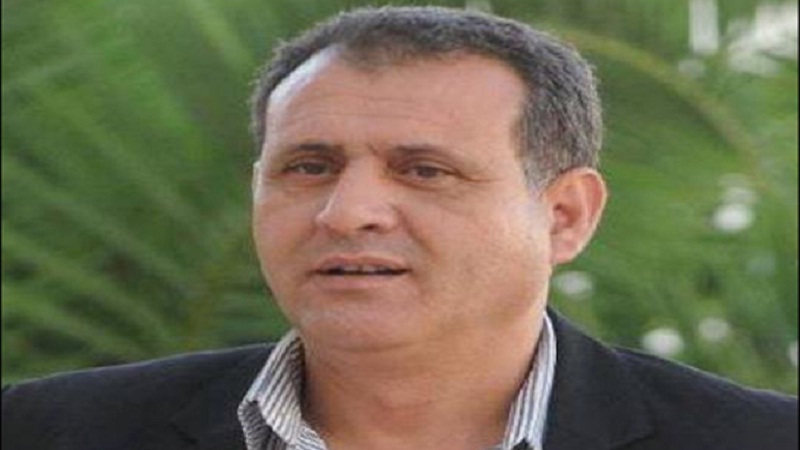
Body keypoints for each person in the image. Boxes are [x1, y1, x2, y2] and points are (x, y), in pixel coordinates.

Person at [2, 6, 796, 450]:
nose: (346, 212)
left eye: (424, 171)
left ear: (565, 216)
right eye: (309, 166)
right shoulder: (50, 432)